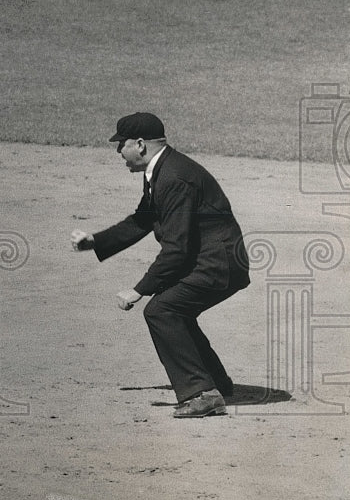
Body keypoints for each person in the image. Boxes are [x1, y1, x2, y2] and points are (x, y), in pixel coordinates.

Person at [70, 112, 249, 418]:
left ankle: (202, 394)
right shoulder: (161, 169)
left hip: (219, 265)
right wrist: (96, 241)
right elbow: (143, 219)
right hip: (214, 259)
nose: (118, 151)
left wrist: (140, 289)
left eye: (122, 144)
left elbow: (177, 249)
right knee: (174, 308)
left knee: (162, 310)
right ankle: (214, 380)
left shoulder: (174, 178)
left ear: (140, 144)